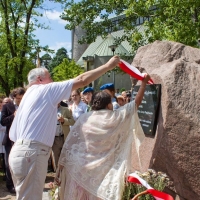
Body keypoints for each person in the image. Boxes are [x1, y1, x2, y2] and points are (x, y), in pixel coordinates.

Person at [8, 55, 120, 200]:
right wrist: (108, 66)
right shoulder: (46, 90)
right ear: (40, 80)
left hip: (18, 151)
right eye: (50, 77)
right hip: (32, 152)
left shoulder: (27, 96)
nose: (53, 81)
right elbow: (82, 80)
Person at [56, 74, 151, 200]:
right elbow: (136, 103)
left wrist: (60, 169)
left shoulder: (85, 118)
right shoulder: (115, 117)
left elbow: (69, 144)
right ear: (108, 105)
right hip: (103, 174)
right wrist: (143, 83)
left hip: (80, 170)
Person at [1, 88, 25, 194]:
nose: (20, 100)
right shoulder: (7, 106)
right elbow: (3, 121)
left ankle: (20, 184)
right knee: (8, 164)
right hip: (10, 140)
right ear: (13, 97)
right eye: (18, 98)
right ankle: (10, 185)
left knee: (22, 163)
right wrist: (13, 116)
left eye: (22, 98)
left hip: (23, 139)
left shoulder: (26, 106)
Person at [51, 102, 75, 171]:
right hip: (54, 138)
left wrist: (64, 120)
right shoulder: (49, 111)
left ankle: (66, 174)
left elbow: (72, 121)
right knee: (55, 157)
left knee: (65, 157)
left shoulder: (66, 109)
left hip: (64, 137)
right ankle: (58, 176)